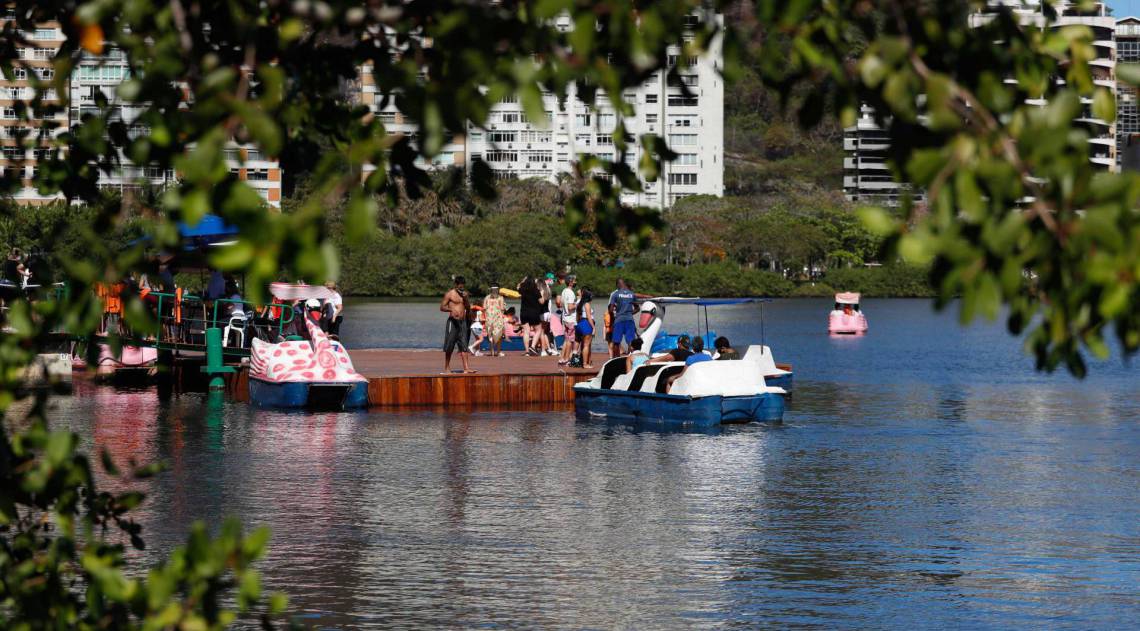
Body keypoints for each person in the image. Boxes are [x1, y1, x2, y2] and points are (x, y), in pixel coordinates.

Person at [440, 276, 474, 373]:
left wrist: (466, 298)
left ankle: (466, 368)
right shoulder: (450, 294)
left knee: (464, 345)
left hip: (463, 322)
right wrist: (451, 309)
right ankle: (447, 367)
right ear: (456, 285)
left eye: (462, 286)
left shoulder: (464, 294)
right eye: (459, 286)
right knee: (449, 345)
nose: (461, 287)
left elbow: (467, 307)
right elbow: (442, 307)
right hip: (452, 322)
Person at [608, 277, 641, 357]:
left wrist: (615, 316)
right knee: (630, 342)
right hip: (629, 320)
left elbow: (611, 310)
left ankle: (616, 360)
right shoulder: (631, 294)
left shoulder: (615, 294)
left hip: (619, 320)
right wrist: (629, 313)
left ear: (618, 284)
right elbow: (638, 308)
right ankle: (629, 358)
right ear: (624, 284)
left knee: (616, 342)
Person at [517, 276, 545, 356]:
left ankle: (527, 352)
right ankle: (532, 346)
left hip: (524, 313)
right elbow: (541, 302)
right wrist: (542, 294)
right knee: (538, 330)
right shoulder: (536, 290)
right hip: (534, 313)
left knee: (526, 331)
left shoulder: (522, 290)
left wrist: (523, 280)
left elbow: (518, 286)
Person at [558, 275, 578, 365]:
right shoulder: (570, 293)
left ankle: (561, 358)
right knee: (570, 340)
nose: (575, 282)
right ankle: (566, 358)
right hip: (571, 319)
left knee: (566, 340)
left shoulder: (564, 291)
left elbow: (561, 304)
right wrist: (577, 304)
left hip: (565, 318)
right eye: (574, 281)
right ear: (570, 282)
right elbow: (570, 307)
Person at [574, 289, 595, 369]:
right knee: (586, 345)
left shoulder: (579, 304)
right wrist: (593, 327)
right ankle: (585, 364)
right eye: (591, 296)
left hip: (580, 323)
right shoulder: (587, 304)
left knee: (584, 344)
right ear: (588, 296)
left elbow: (577, 316)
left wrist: (578, 324)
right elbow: (589, 317)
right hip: (586, 323)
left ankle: (585, 362)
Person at [483, 285, 507, 357]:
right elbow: (502, 308)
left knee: (490, 334)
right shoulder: (500, 298)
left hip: (489, 318)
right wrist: (505, 307)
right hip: (498, 318)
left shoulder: (487, 297)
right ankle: (498, 351)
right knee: (498, 334)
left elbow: (484, 307)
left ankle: (492, 351)